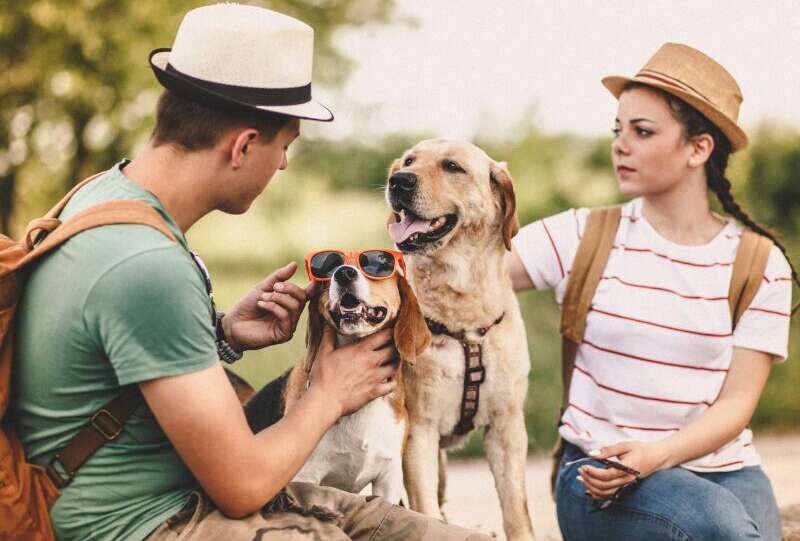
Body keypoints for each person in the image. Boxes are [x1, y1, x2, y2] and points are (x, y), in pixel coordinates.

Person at [13, 4, 489, 540]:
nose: (282, 164)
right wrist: (328, 394)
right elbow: (242, 485)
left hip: (175, 492)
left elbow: (114, 350)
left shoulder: (104, 195)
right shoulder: (147, 265)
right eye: (284, 146)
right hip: (143, 521)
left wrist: (221, 333)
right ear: (243, 145)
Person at [506, 43, 796, 540]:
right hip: (601, 473)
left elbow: (736, 406)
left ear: (698, 148)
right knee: (723, 533)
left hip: (726, 471)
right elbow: (470, 279)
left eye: (642, 131)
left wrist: (657, 455)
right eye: (618, 130)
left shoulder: (758, 263)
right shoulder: (582, 235)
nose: (621, 145)